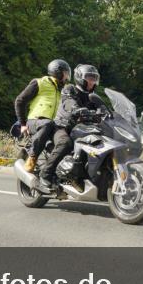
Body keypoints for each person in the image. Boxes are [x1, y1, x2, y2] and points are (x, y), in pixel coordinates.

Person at [38, 64, 106, 192]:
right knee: (66, 143)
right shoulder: (70, 89)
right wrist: (77, 109)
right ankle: (45, 174)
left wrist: (111, 115)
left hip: (82, 130)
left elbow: (104, 109)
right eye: (89, 78)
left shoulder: (94, 97)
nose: (92, 81)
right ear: (80, 78)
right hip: (62, 127)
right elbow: (69, 102)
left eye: (94, 78)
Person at [14, 59, 72, 172]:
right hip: (35, 122)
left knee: (67, 141)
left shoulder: (65, 90)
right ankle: (32, 157)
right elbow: (20, 101)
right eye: (65, 73)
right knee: (47, 123)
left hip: (53, 125)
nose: (67, 77)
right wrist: (22, 124)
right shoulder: (39, 83)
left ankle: (55, 172)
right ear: (57, 72)